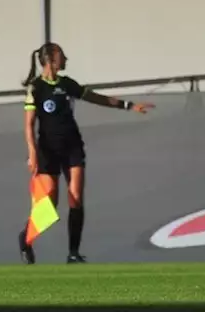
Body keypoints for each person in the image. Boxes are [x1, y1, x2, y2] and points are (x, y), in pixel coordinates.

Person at [18, 43, 154, 265]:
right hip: (48, 151)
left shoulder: (67, 84)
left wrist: (128, 105)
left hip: (72, 147)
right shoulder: (36, 88)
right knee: (48, 205)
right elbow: (28, 125)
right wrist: (32, 153)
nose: (66, 59)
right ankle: (25, 239)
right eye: (62, 55)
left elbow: (96, 98)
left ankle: (73, 253)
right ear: (51, 59)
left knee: (76, 199)